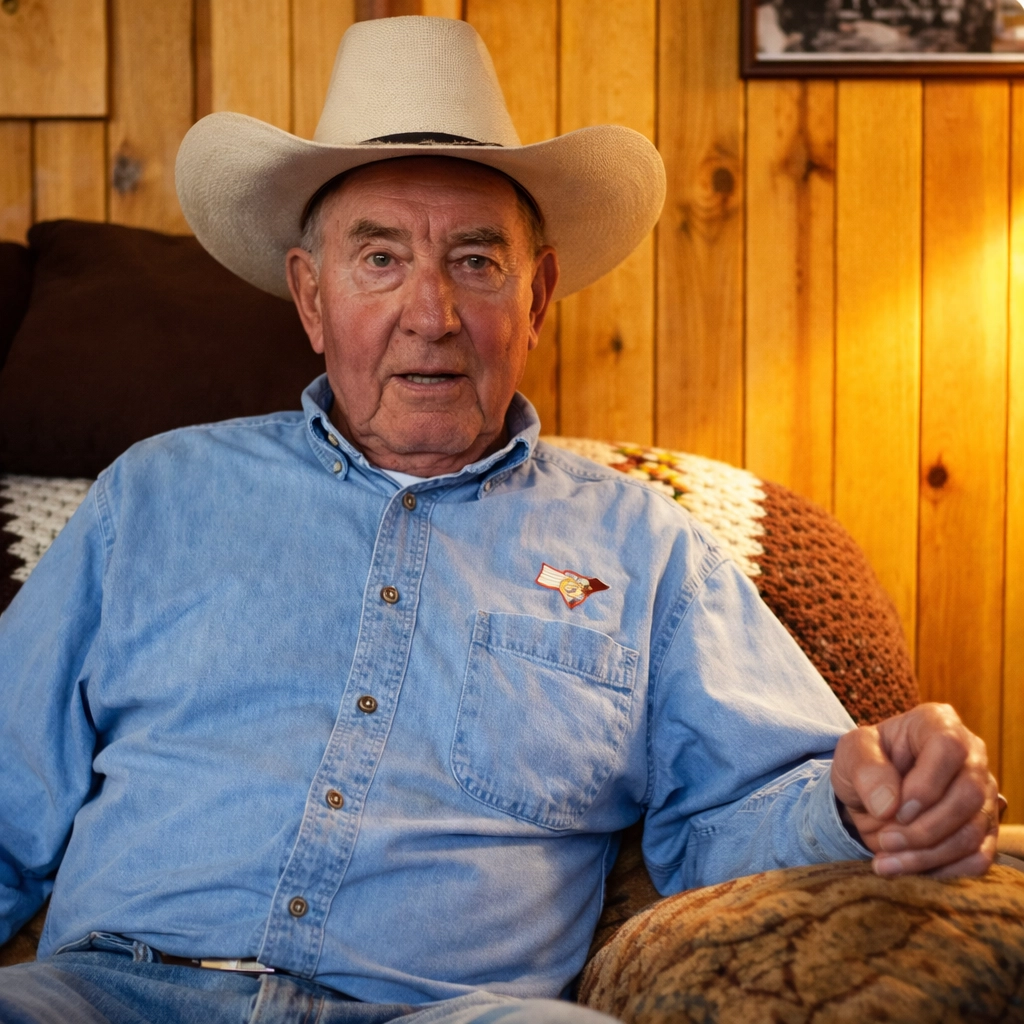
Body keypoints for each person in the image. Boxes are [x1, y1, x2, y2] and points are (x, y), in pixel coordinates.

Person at [0, 15, 1000, 1024]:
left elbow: (737, 814)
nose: (429, 312)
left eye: (475, 261)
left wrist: (867, 791)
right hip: (107, 995)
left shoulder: (644, 547)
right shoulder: (154, 496)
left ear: (539, 295)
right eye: (379, 259)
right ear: (310, 296)